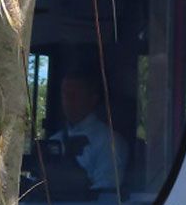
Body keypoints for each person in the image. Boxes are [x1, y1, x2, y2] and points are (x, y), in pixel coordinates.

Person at [52, 67, 129, 195]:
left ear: (92, 99)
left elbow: (106, 194)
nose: (68, 101)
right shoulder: (54, 141)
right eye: (65, 95)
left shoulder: (110, 142)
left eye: (75, 95)